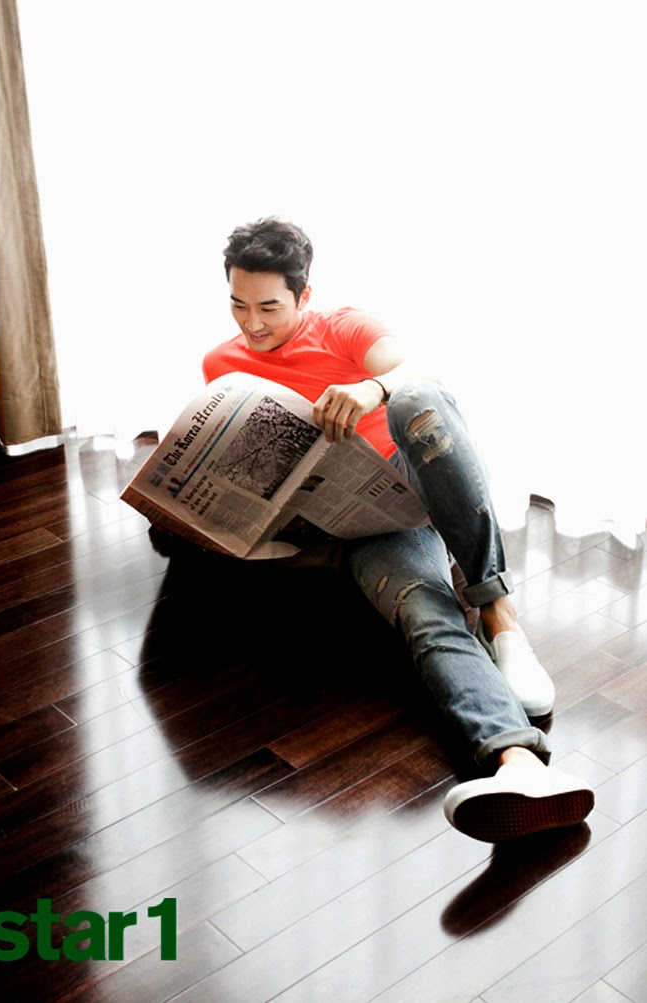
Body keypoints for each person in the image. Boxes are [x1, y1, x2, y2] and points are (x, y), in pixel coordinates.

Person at [200, 216, 595, 842]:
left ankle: (499, 616)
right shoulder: (221, 362)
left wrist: (371, 389)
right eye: (237, 305)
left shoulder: (344, 326)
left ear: (304, 296)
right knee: (426, 617)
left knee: (416, 400)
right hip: (316, 530)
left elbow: (428, 374)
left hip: (395, 505)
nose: (252, 324)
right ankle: (522, 767)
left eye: (269, 307)